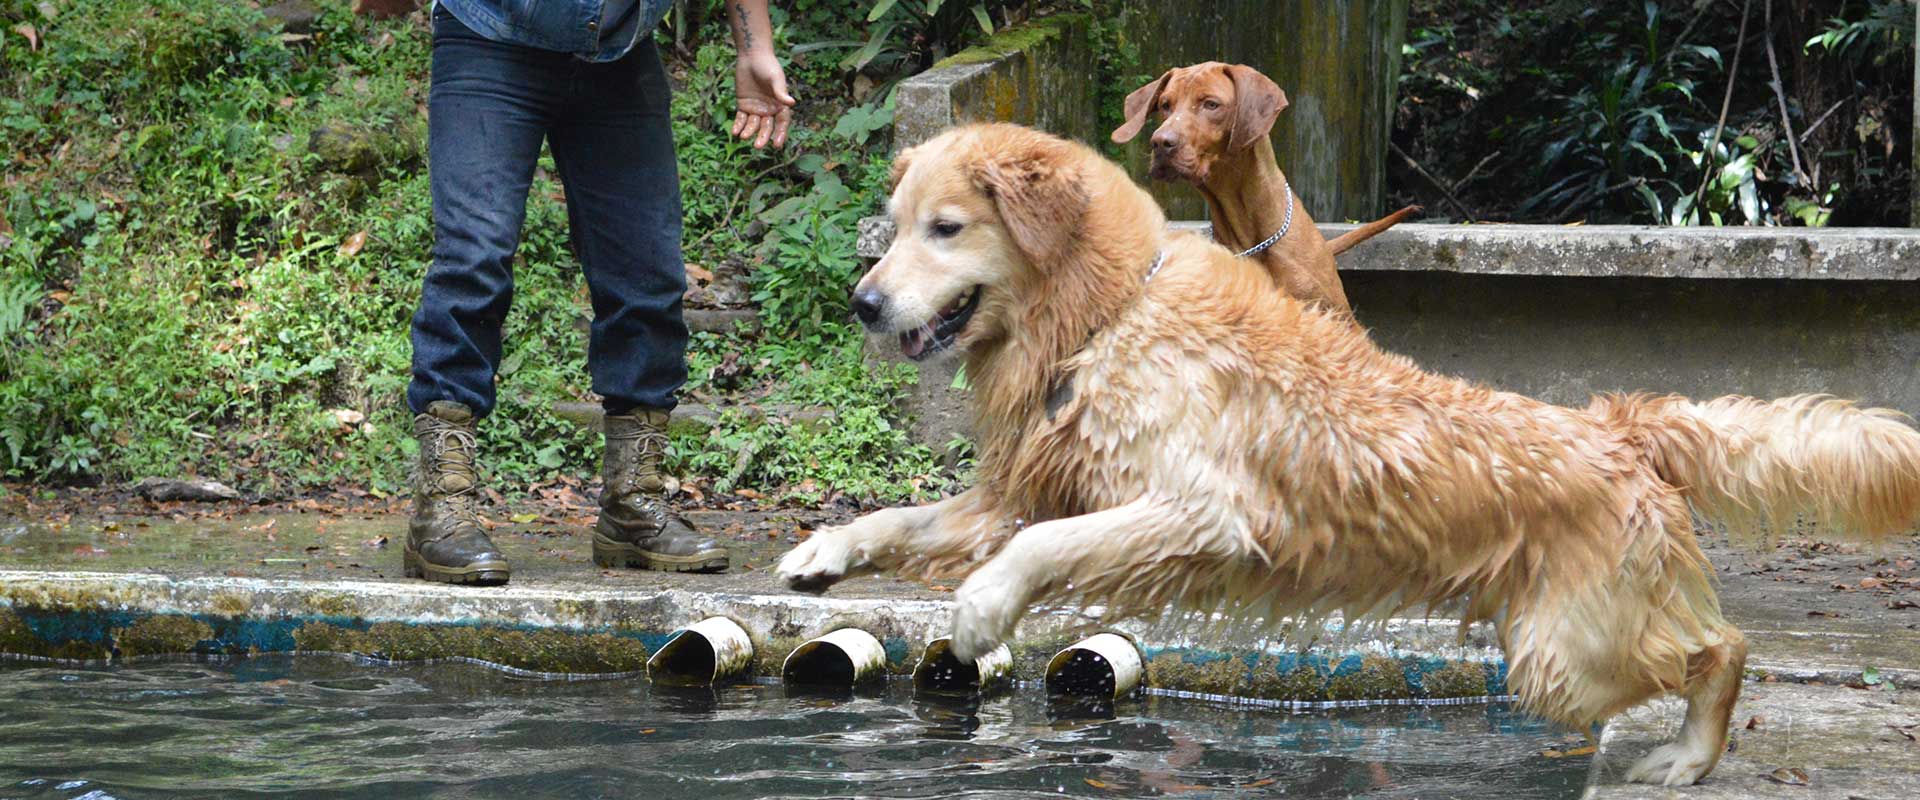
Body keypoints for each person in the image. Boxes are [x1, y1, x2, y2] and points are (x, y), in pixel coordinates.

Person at [402, 0, 793, 586]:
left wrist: (754, 47)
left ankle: (631, 505)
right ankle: (443, 507)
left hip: (619, 53)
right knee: (473, 259)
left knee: (647, 273)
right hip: (489, 39)